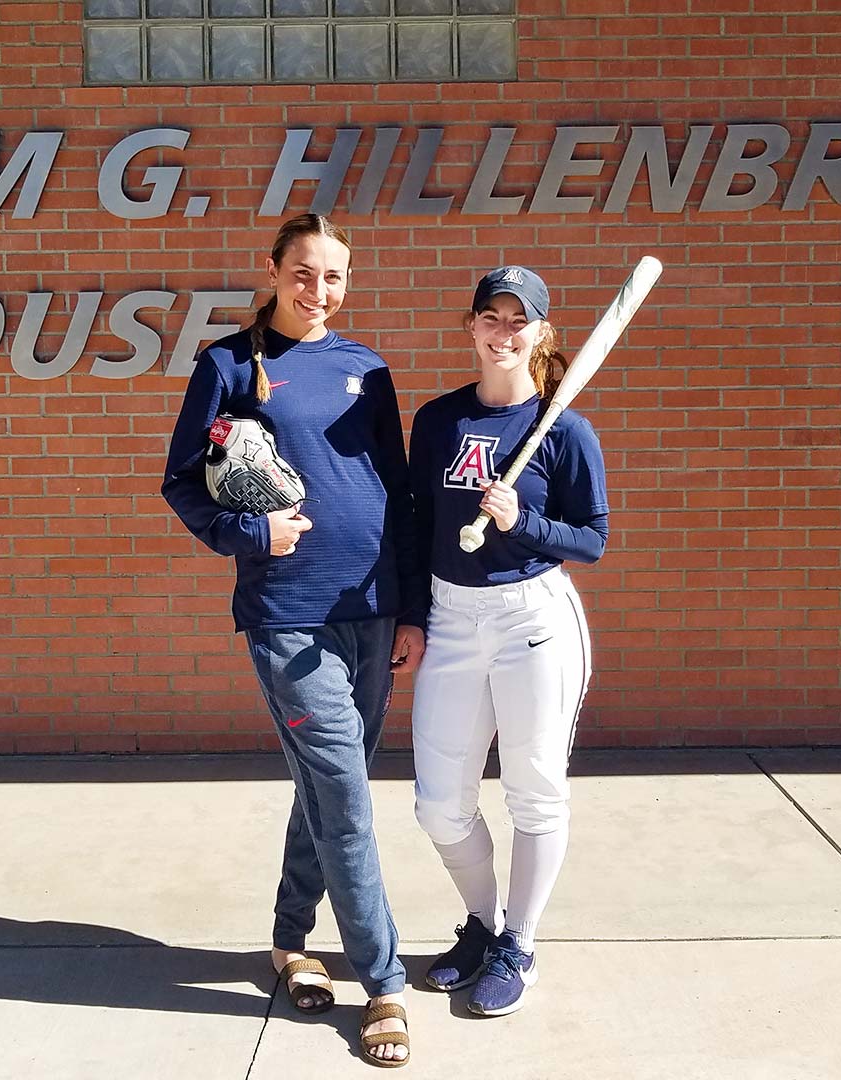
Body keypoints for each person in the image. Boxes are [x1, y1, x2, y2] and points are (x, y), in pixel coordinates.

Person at [161, 213, 424, 1067]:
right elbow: (183, 485)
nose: (319, 291)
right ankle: (384, 984)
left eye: (335, 277)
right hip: (288, 615)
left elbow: (401, 491)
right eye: (304, 273)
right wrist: (251, 535)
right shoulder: (230, 365)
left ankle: (288, 940)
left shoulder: (367, 370)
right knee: (346, 795)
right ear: (273, 271)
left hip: (374, 605)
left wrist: (413, 606)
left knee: (326, 790)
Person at [406, 265, 609, 1018]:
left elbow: (592, 539)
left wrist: (521, 521)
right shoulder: (438, 421)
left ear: (540, 334)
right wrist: (409, 615)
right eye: (490, 317)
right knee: (438, 805)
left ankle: (518, 943)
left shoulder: (563, 427)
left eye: (517, 320)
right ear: (471, 328)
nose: (502, 331)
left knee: (533, 790)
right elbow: (415, 522)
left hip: (533, 619)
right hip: (451, 614)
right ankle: (481, 926)